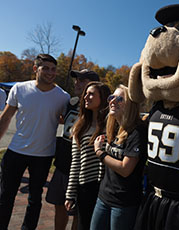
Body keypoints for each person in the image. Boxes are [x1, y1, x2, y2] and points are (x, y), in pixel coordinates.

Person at [0, 54, 70, 230]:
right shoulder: (20, 89)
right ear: (35, 69)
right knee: (5, 196)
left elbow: (65, 120)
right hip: (15, 152)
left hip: (43, 155)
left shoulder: (63, 97)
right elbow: (6, 117)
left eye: (53, 69)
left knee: (34, 199)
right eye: (45, 68)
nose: (50, 72)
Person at [45, 69, 100, 230]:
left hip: (82, 168)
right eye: (77, 80)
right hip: (62, 163)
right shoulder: (71, 102)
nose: (77, 83)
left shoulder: (98, 108)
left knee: (78, 211)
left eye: (82, 80)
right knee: (59, 204)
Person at [90, 84, 147, 230]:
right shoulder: (114, 126)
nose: (113, 101)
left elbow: (125, 169)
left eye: (120, 98)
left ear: (131, 106)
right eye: (111, 97)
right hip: (103, 197)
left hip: (123, 203)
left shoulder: (137, 132)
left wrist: (100, 153)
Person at [64, 81, 111, 230]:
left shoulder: (112, 124)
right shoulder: (80, 127)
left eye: (91, 94)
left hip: (107, 187)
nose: (85, 97)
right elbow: (75, 162)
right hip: (85, 186)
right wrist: (70, 193)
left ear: (102, 98)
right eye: (86, 93)